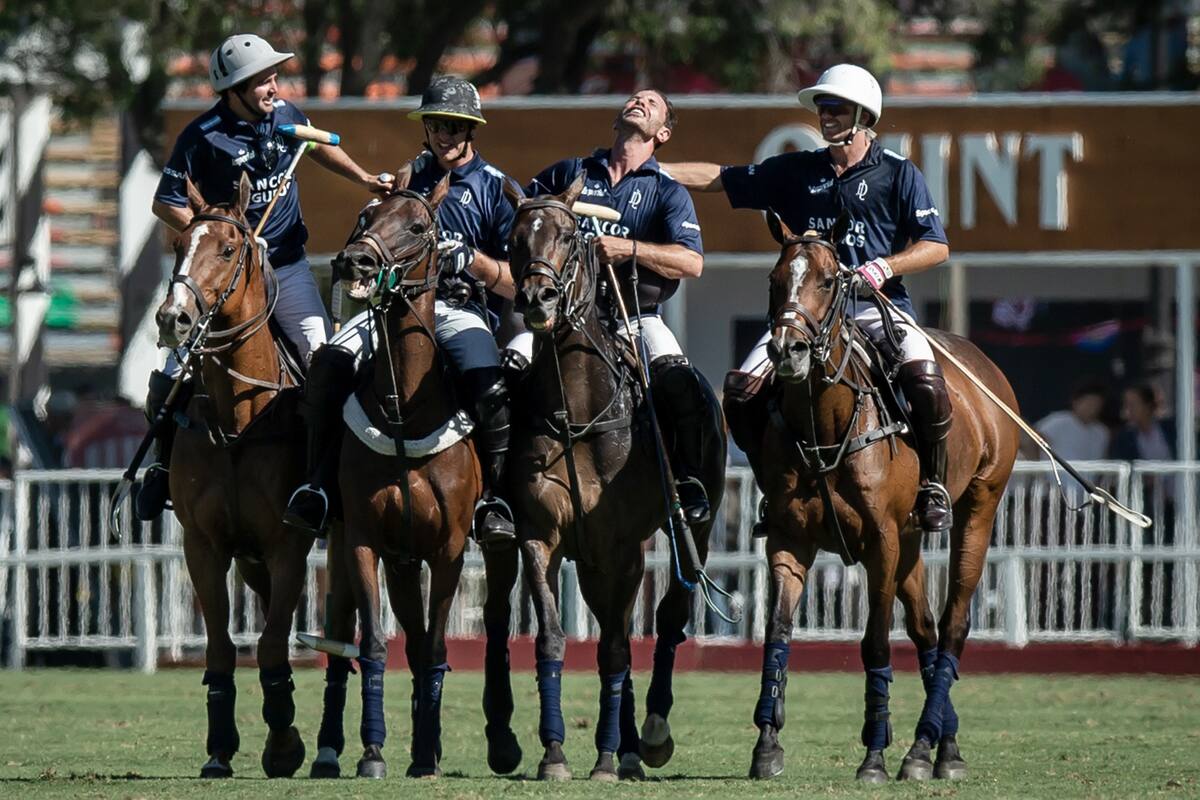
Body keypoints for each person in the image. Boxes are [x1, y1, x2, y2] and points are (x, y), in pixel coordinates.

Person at [662, 64, 955, 535]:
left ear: (863, 115)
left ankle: (932, 487)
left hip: (876, 306)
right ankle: (773, 492)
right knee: (739, 393)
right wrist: (653, 170)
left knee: (924, 381)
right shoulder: (798, 170)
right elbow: (722, 177)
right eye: (822, 107)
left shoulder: (900, 173)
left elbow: (935, 245)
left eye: (835, 108)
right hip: (810, 314)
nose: (825, 116)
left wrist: (886, 266)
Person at [136, 33, 394, 521]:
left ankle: (320, 482)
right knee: (170, 374)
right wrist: (217, 236)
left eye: (274, 78)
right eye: (262, 81)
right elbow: (163, 202)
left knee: (326, 357)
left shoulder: (286, 116)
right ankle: (161, 470)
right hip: (226, 275)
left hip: (288, 266)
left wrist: (363, 178)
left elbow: (317, 145)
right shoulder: (202, 136)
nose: (273, 87)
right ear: (233, 89)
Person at [282, 76, 520, 547]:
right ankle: (318, 485)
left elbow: (517, 281)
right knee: (328, 365)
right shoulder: (406, 179)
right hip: (390, 311)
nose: (445, 135)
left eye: (455, 126)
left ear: (471, 130)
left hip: (459, 310)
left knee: (491, 388)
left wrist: (473, 260)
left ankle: (495, 498)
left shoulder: (497, 189)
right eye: (437, 125)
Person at [507, 88, 715, 523]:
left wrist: (628, 248)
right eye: (634, 98)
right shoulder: (571, 172)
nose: (639, 101)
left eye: (651, 103)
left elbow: (691, 261)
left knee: (681, 381)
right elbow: (525, 215)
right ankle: (499, 491)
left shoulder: (665, 191)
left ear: (663, 132)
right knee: (503, 376)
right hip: (560, 319)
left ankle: (688, 480)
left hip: (634, 318)